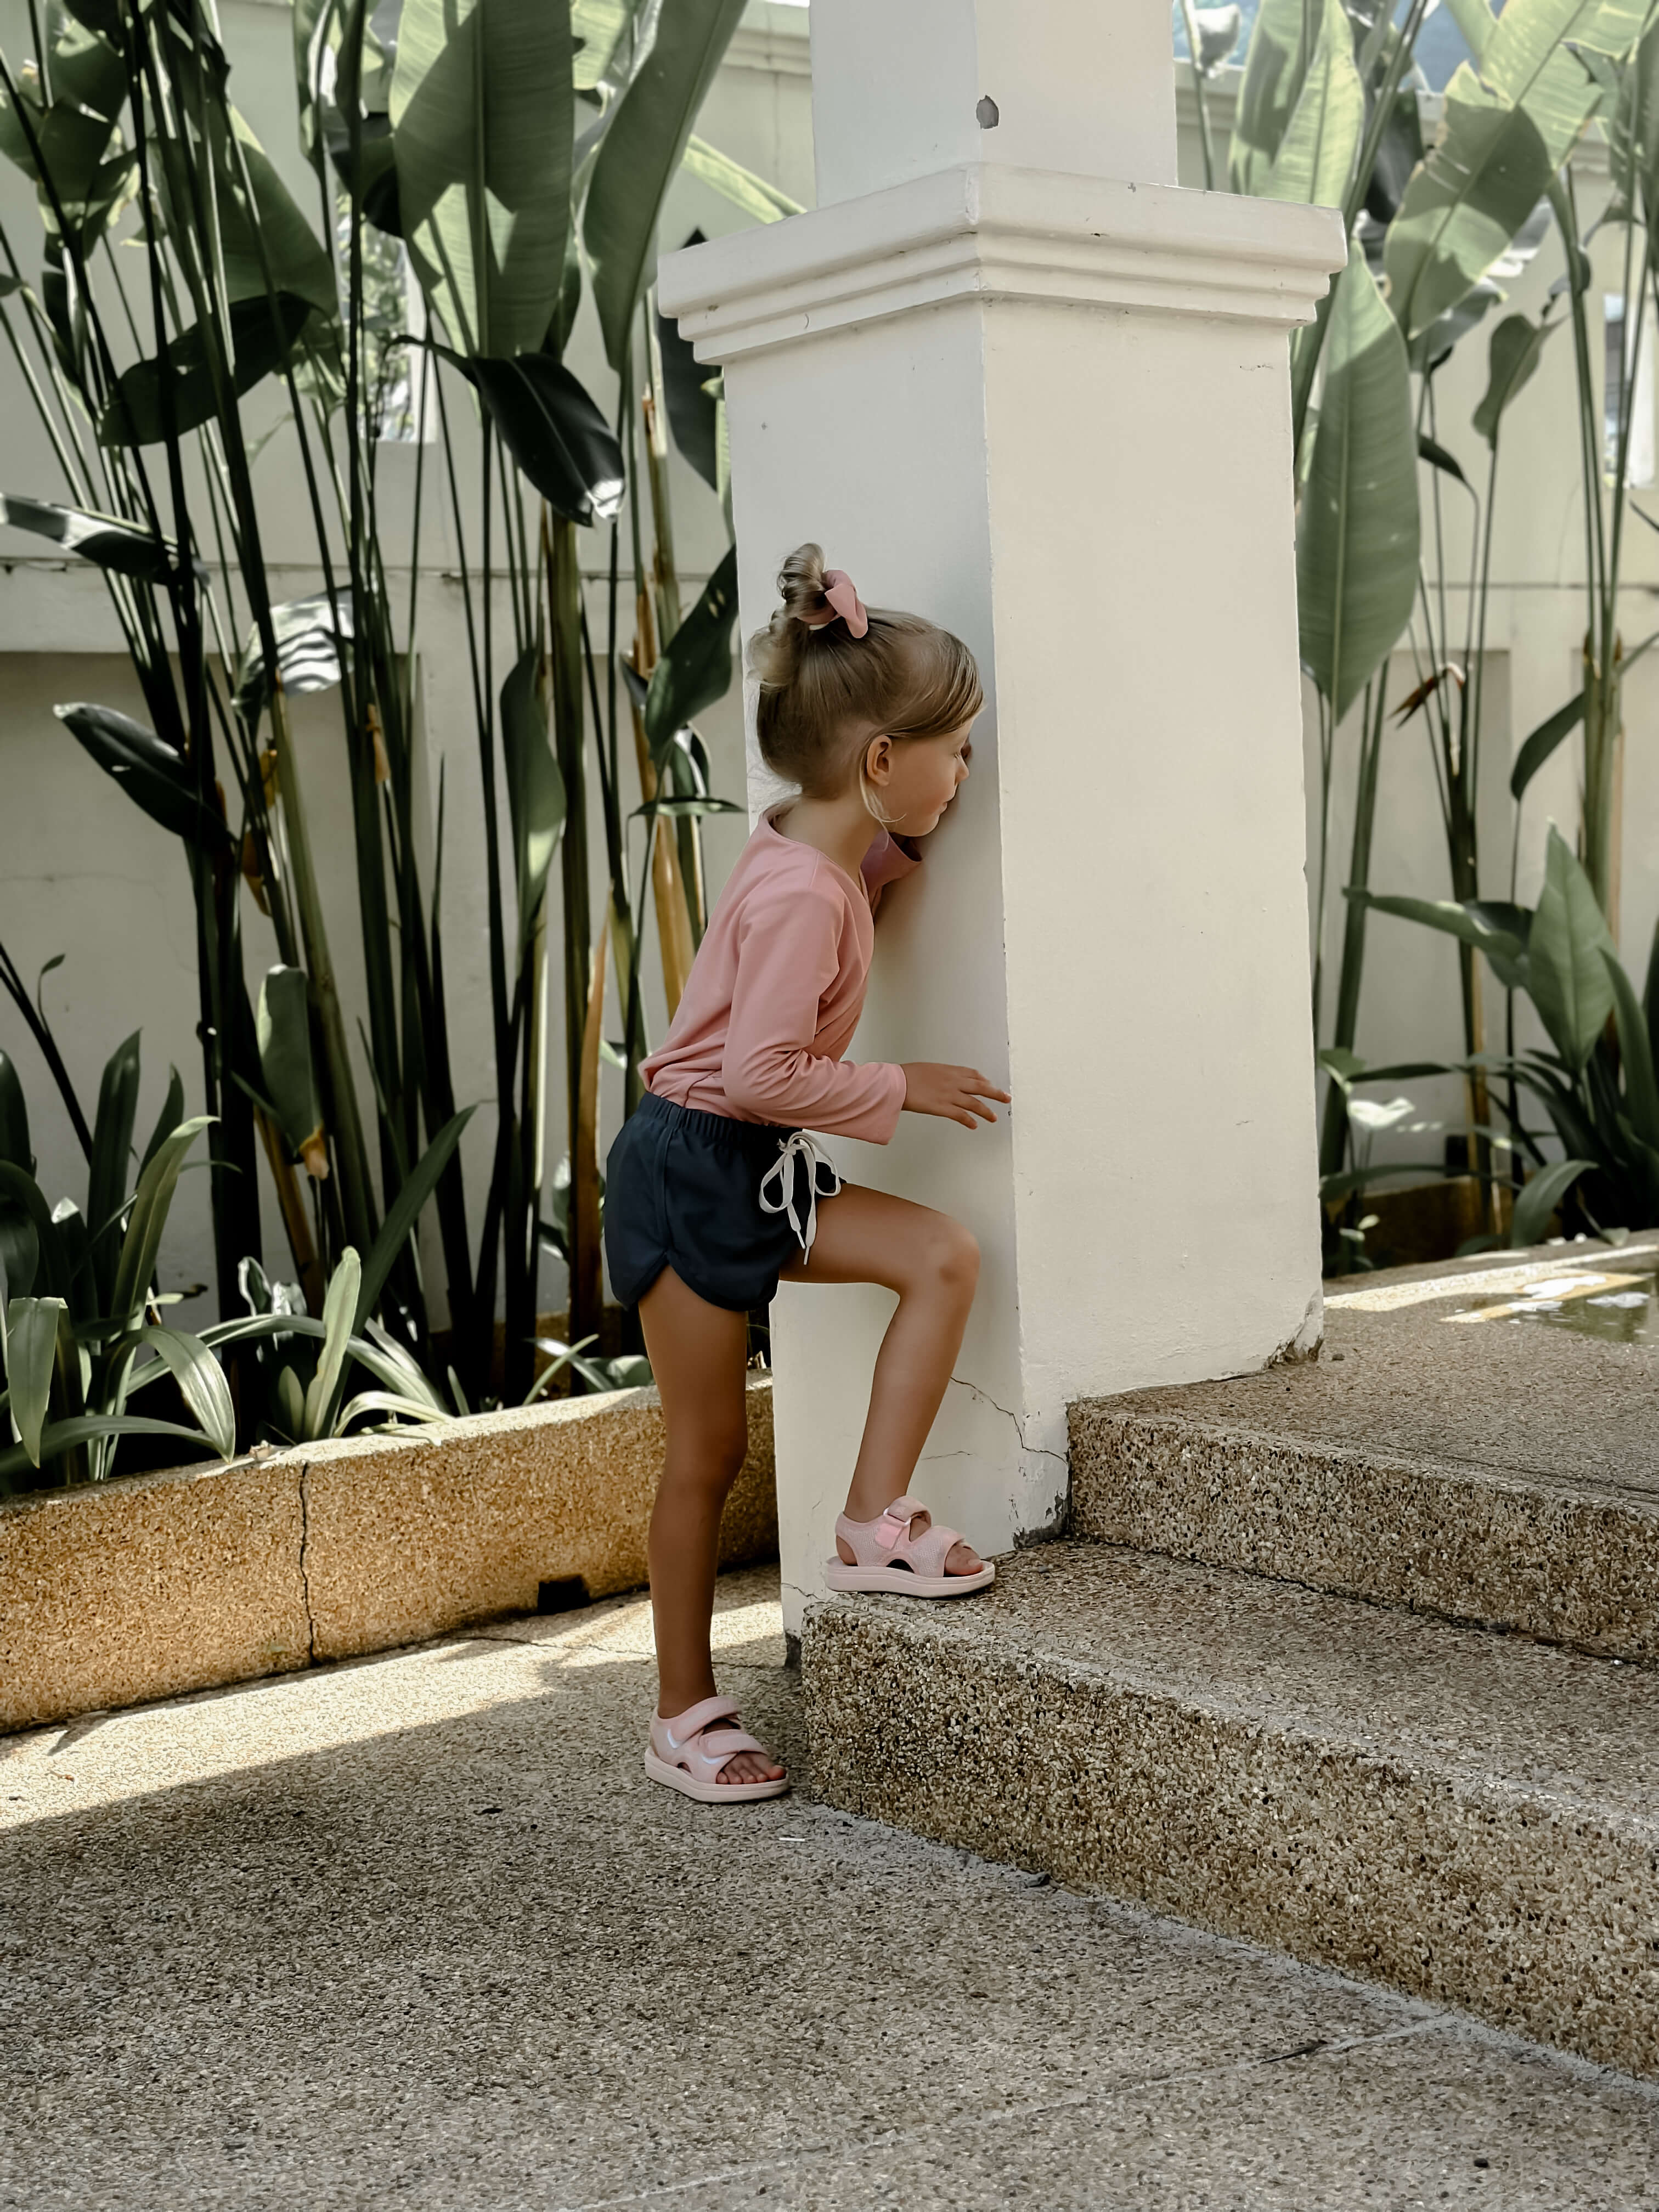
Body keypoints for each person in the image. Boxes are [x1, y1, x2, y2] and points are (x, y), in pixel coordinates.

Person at [603, 544, 1010, 1804]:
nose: (966, 771)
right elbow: (760, 1072)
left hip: (755, 1170)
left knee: (939, 1254)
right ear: (881, 763)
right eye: (952, 749)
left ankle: (870, 1522)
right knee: (706, 1452)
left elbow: (823, 925)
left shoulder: (811, 854)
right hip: (689, 1167)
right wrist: (906, 1085)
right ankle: (682, 1712)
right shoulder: (805, 898)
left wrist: (893, 863)